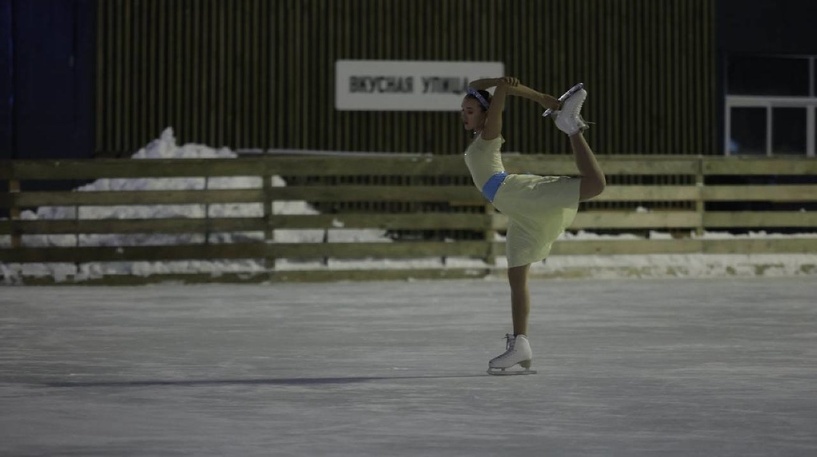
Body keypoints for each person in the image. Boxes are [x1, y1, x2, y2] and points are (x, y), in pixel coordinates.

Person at [462, 77, 606, 374]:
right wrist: (538, 95)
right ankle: (520, 345)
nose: (464, 114)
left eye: (471, 110)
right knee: (516, 275)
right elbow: (477, 83)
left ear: (486, 115)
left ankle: (571, 127)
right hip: (516, 209)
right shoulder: (479, 138)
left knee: (595, 185)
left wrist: (537, 95)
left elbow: (501, 88)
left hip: (516, 194)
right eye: (464, 109)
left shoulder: (490, 133)